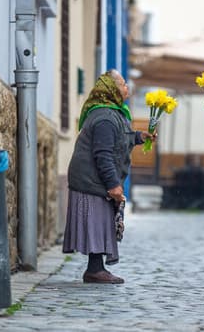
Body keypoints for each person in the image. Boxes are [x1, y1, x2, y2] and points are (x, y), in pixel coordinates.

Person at [62, 69, 155, 284]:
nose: (126, 89)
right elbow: (103, 154)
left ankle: (96, 268)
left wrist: (140, 137)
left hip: (92, 178)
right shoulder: (105, 117)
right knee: (98, 222)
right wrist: (113, 184)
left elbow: (121, 138)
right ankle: (95, 270)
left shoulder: (113, 113)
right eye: (122, 84)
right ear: (111, 89)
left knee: (101, 221)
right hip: (90, 180)